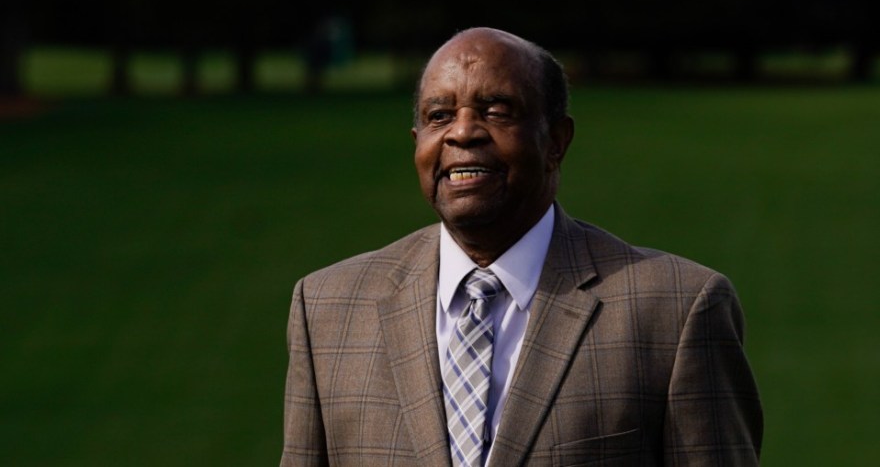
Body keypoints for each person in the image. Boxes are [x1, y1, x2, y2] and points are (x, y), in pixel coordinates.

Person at [280, 27, 763, 466]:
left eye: (496, 111)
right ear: (417, 142)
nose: (463, 132)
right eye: (439, 115)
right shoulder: (328, 309)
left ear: (556, 141)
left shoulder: (675, 310)